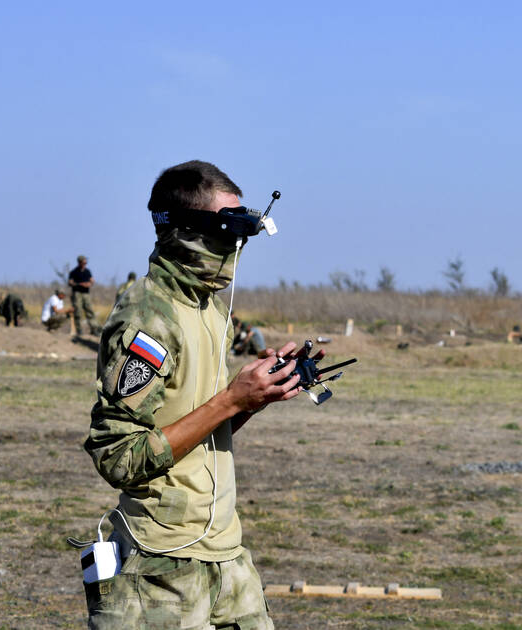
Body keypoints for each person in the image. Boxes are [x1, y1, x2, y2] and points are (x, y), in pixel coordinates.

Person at [82, 160, 316, 629]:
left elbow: (199, 426)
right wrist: (231, 400)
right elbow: (119, 458)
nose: (237, 246)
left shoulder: (209, 309)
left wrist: (255, 396)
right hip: (161, 565)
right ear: (189, 231)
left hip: (225, 554)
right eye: (228, 231)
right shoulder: (149, 318)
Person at [68, 254, 100, 335]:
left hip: (86, 294)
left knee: (89, 311)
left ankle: (94, 329)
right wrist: (79, 284)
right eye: (84, 262)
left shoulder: (87, 271)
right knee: (77, 311)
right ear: (79, 262)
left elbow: (92, 281)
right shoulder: (74, 272)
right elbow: (70, 282)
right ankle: (79, 330)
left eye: (86, 263)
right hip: (77, 293)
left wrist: (89, 284)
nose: (85, 264)